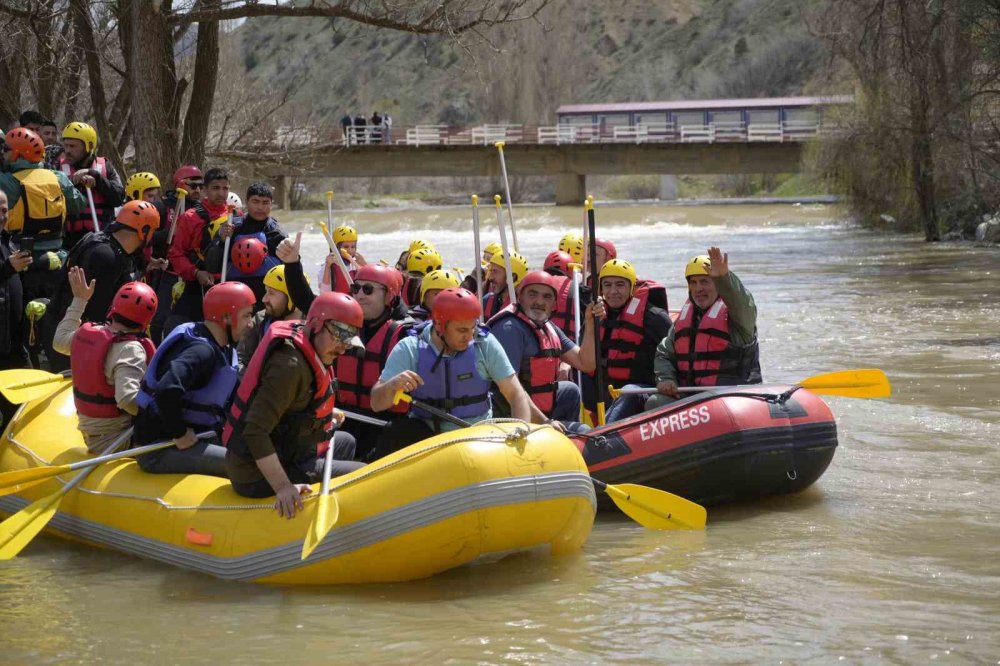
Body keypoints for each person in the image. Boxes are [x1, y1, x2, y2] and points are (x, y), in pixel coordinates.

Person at [223, 291, 366, 515]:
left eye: (348, 342)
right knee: (364, 473)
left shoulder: (310, 339)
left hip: (287, 447)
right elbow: (255, 431)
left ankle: (325, 507)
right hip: (253, 473)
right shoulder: (289, 367)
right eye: (338, 337)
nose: (342, 348)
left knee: (346, 442)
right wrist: (283, 487)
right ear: (317, 324)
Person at [369, 287, 532, 458]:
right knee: (396, 433)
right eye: (461, 330)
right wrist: (392, 386)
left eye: (472, 328)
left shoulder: (484, 343)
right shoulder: (410, 348)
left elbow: (515, 394)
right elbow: (376, 404)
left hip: (476, 437)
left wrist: (520, 430)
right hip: (427, 441)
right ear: (439, 324)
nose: (469, 337)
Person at [134, 282, 256, 477]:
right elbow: (167, 389)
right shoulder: (201, 351)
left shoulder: (221, 347)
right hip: (159, 448)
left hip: (201, 435)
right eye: (246, 316)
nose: (251, 324)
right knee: (247, 467)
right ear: (225, 317)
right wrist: (180, 434)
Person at [40, 200, 160, 372]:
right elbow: (98, 313)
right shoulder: (107, 257)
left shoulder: (106, 244)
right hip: (70, 336)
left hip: (65, 328)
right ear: (145, 230)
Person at [54, 267, 157, 452]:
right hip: (116, 440)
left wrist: (80, 299)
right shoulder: (131, 349)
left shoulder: (92, 334)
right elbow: (127, 399)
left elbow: (59, 340)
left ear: (113, 308)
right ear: (146, 322)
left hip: (91, 433)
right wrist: (163, 413)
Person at [647, 248, 761, 410]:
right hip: (693, 402)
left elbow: (742, 302)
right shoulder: (684, 320)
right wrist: (666, 378)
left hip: (734, 401)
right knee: (655, 402)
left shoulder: (739, 317)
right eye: (693, 283)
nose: (698, 288)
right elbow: (664, 353)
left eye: (705, 281)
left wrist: (724, 278)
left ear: (718, 285)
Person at [487, 270, 598, 431]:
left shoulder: (547, 327)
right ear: (520, 297)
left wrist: (590, 325)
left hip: (538, 407)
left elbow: (586, 363)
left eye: (547, 296)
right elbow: (512, 391)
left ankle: (563, 438)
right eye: (533, 294)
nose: (539, 301)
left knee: (570, 391)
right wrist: (546, 422)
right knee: (583, 431)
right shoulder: (509, 329)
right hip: (511, 416)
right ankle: (564, 438)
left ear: (554, 304)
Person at [0, 128, 83, 304]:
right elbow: (79, 204)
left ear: (17, 155)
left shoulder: (8, 182)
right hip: (56, 258)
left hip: (21, 259)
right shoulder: (58, 178)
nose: (3, 153)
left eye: (6, 150)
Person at [585, 258, 672, 423]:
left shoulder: (655, 317)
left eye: (620, 285)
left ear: (632, 287)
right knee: (574, 379)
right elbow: (583, 357)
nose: (613, 291)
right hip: (607, 390)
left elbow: (674, 356)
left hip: (642, 390)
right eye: (607, 285)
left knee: (628, 392)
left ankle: (601, 437)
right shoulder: (595, 316)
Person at [165, 167, 231, 334]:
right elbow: (176, 254)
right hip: (197, 284)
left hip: (226, 284)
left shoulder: (235, 216)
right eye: (216, 188)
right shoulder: (190, 217)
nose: (221, 193)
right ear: (205, 189)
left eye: (225, 188)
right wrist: (195, 273)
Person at [204, 181, 285, 301]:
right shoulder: (230, 227)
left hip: (266, 295)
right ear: (247, 202)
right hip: (235, 293)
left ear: (271, 204)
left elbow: (290, 271)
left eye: (265, 203)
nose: (260, 207)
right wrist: (221, 241)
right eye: (255, 202)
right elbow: (211, 267)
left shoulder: (277, 233)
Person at [149, 165, 203, 342]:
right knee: (159, 319)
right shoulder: (162, 207)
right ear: (180, 185)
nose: (198, 190)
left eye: (201, 186)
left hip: (190, 274)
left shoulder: (202, 211)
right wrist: (169, 234)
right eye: (193, 186)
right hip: (166, 272)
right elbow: (146, 236)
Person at [58, 121, 126, 250]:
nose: (67, 151)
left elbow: (118, 197)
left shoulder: (105, 167)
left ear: (88, 146)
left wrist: (96, 177)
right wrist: (72, 182)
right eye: (65, 145)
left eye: (73, 146)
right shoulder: (58, 168)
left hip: (101, 238)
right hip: (69, 241)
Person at [236, 264, 305, 372]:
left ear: (292, 296)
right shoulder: (261, 319)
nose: (264, 299)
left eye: (271, 293)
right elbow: (241, 358)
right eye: (266, 291)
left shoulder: (314, 326)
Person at [0, 190, 30, 424]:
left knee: (24, 406)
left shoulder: (7, 240)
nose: (3, 216)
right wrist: (8, 268)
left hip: (14, 340)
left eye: (4, 210)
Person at [318, 224, 365, 294]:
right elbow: (324, 292)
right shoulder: (328, 266)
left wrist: (364, 264)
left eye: (353, 247)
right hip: (336, 301)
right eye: (346, 247)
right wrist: (328, 267)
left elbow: (371, 283)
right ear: (336, 247)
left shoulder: (356, 265)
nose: (350, 250)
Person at [481, 250, 529, 320]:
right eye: (490, 271)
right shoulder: (487, 300)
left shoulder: (526, 308)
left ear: (512, 277)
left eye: (495, 271)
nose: (490, 277)